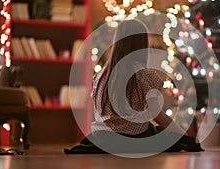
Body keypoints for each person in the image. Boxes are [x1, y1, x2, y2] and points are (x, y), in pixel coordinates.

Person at [65, 19, 203, 154]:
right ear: (142, 45)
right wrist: (184, 136)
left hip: (103, 137)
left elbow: (99, 113)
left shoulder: (100, 75)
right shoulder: (144, 75)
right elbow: (158, 116)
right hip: (134, 138)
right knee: (164, 134)